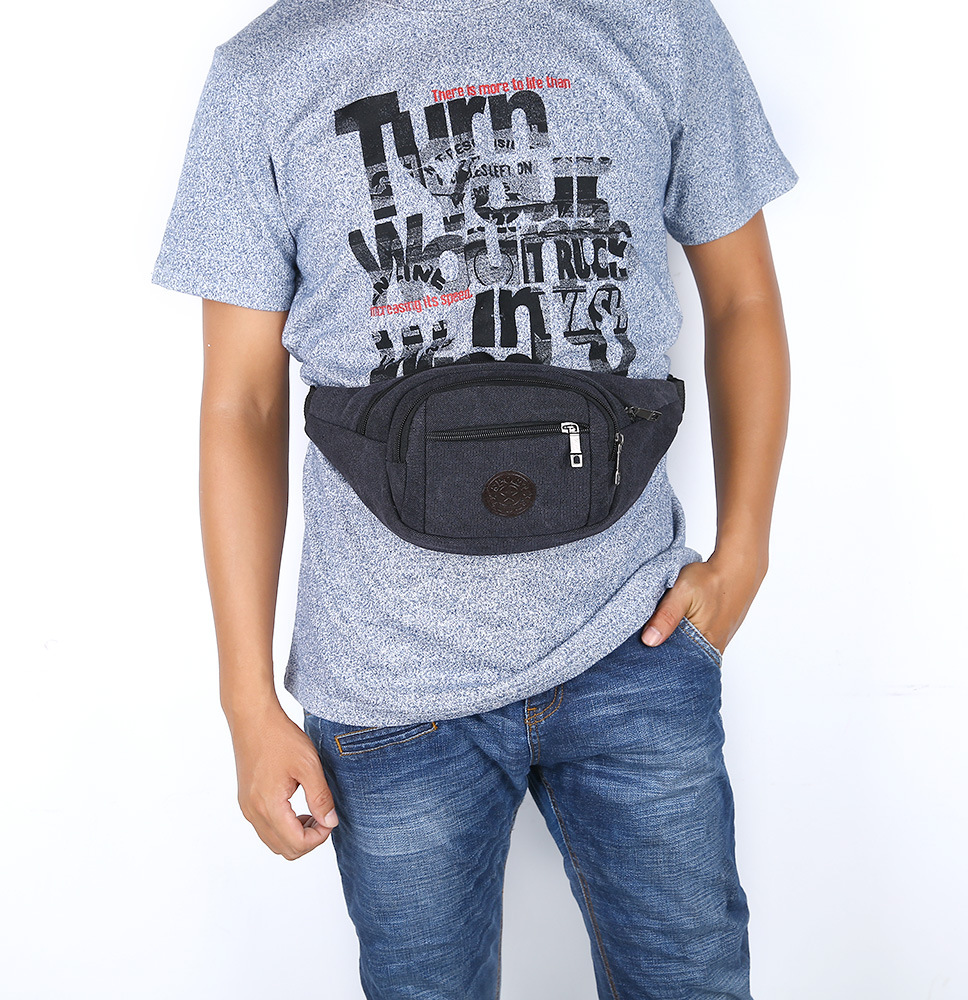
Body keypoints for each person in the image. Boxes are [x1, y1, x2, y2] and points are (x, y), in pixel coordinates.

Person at [152, 0, 797, 994]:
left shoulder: (659, 22)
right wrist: (246, 699)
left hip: (633, 640)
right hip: (388, 683)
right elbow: (241, 403)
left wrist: (744, 554)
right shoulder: (265, 73)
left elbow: (744, 296)